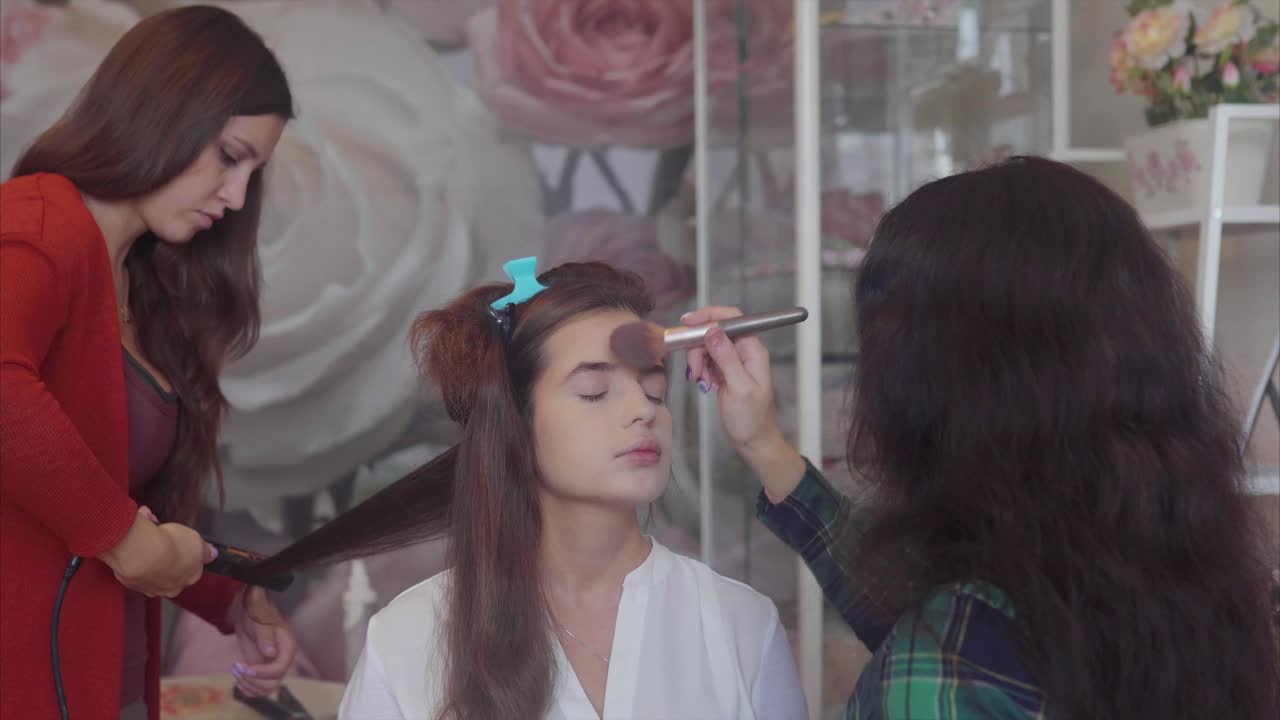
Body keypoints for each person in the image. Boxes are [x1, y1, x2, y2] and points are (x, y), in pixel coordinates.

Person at [685, 156, 1280, 719]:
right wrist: (765, 445)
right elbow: (924, 609)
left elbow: (945, 641)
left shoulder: (949, 662)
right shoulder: (1185, 580)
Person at [246, 260, 807, 720]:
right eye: (593, 391)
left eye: (654, 391)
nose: (641, 411)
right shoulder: (411, 636)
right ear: (514, 421)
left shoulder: (740, 625)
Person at [1, 7, 300, 719]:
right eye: (231, 156)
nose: (235, 198)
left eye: (252, 173)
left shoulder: (140, 282)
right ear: (165, 108)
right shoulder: (37, 224)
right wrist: (125, 537)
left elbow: (119, 505)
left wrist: (227, 594)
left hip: (109, 676)